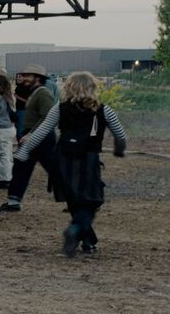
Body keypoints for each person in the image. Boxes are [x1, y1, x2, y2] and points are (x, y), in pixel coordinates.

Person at [14, 71, 127, 255]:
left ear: (69, 88)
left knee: (75, 202)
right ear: (92, 88)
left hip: (63, 160)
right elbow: (121, 136)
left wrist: (24, 152)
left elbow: (41, 132)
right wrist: (119, 150)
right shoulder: (104, 110)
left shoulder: (60, 109)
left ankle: (88, 241)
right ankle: (74, 230)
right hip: (88, 160)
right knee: (90, 202)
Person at [0, 68, 60, 213]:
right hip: (36, 136)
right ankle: (13, 201)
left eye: (28, 76)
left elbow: (48, 117)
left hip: (40, 137)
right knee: (21, 167)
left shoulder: (43, 93)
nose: (24, 78)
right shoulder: (36, 92)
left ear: (37, 77)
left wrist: (31, 133)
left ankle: (78, 198)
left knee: (54, 169)